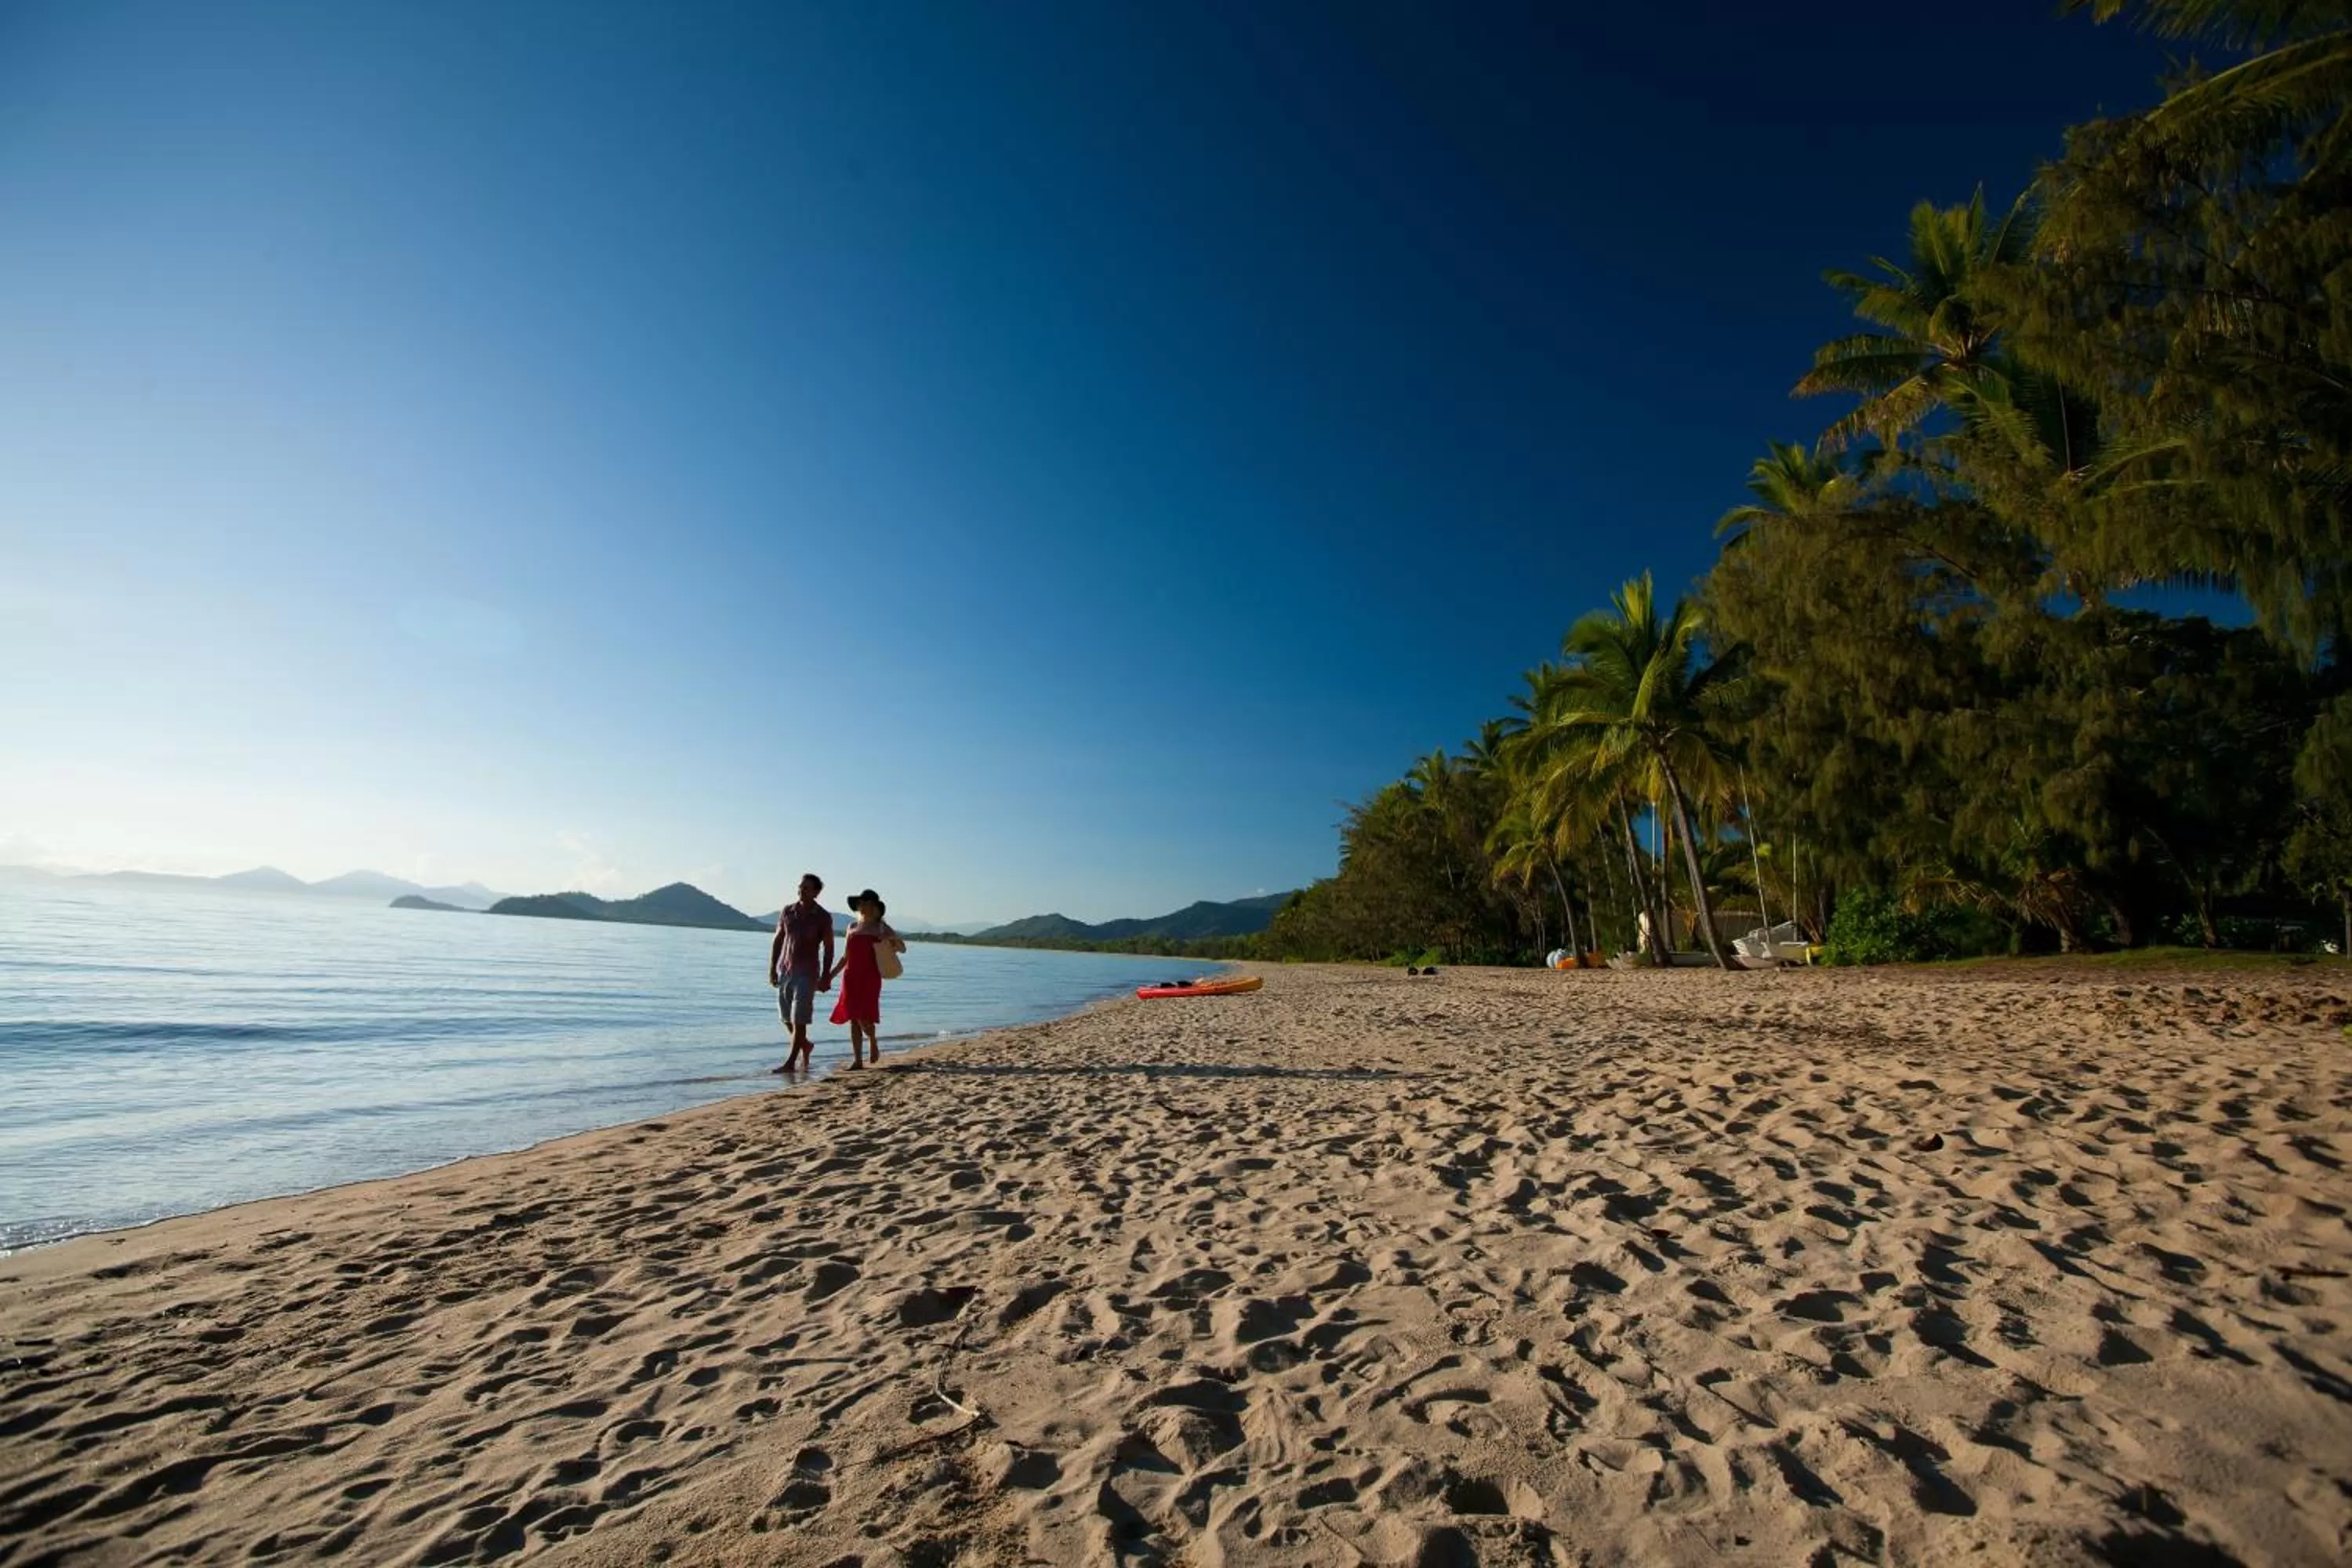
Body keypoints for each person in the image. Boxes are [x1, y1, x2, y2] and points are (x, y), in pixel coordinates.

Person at [826, 889, 905, 1069]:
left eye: (866, 903)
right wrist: (829, 976)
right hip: (850, 976)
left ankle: (873, 1040)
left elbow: (902, 948)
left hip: (871, 977)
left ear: (874, 906)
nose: (862, 906)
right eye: (860, 903)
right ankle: (857, 1060)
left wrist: (889, 937)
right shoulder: (852, 927)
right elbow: (845, 957)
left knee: (865, 1014)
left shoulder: (881, 927)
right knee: (853, 1016)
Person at [769, 873, 833, 1074]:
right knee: (787, 1018)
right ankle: (805, 1045)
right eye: (800, 887)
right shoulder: (787, 911)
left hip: (808, 973)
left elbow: (829, 948)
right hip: (786, 971)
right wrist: (772, 968)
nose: (801, 890)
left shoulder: (823, 917)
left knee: (799, 1019)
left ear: (816, 893)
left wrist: (825, 975)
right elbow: (778, 939)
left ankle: (790, 1063)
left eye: (806, 888)